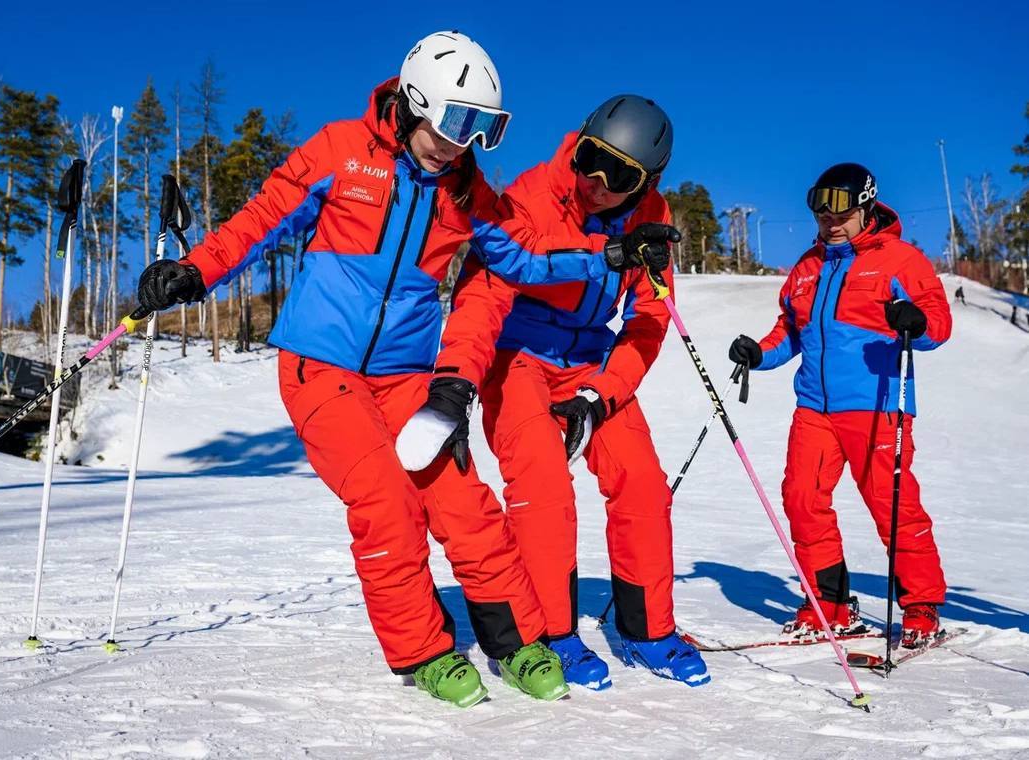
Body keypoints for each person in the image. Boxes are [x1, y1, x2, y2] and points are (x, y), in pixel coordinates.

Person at [135, 32, 644, 708]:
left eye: (484, 130)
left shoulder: (469, 195)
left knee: (464, 503)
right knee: (387, 503)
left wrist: (603, 260)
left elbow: (522, 262)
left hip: (407, 377)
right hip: (321, 367)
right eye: (458, 123)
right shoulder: (342, 152)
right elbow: (264, 217)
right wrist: (196, 269)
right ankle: (426, 652)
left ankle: (518, 641)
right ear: (416, 101)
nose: (463, 144)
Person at [399, 95, 709, 690]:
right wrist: (456, 381)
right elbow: (485, 295)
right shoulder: (532, 197)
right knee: (541, 484)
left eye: (620, 175)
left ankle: (650, 632)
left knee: (641, 481)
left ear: (648, 183)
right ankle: (551, 633)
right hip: (518, 359)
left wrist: (602, 393)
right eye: (592, 159)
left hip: (591, 362)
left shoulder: (652, 219)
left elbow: (648, 320)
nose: (596, 182)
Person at [728, 163, 951, 648]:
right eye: (822, 212)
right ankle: (828, 603)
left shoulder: (899, 260)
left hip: (877, 406)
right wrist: (759, 354)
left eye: (843, 213)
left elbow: (938, 323)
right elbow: (790, 332)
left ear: (865, 207)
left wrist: (915, 320)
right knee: (802, 499)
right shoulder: (807, 268)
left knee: (892, 507)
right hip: (814, 408)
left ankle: (921, 606)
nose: (831, 222)